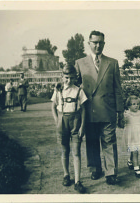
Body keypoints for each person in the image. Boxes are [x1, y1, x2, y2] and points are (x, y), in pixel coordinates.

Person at [75, 30, 124, 185]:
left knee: (109, 141)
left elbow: (118, 88)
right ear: (88, 43)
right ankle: (95, 169)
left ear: (104, 43)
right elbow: (74, 86)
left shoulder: (113, 63)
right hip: (89, 111)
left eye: (100, 42)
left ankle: (111, 172)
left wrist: (120, 111)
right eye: (94, 42)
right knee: (92, 141)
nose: (97, 45)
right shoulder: (80, 63)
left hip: (107, 110)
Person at [51, 64, 88, 193]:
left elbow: (83, 109)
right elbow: (53, 106)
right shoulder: (58, 90)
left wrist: (83, 126)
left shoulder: (79, 90)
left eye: (72, 78)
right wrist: (57, 121)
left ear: (75, 77)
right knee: (64, 150)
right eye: (66, 77)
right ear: (62, 77)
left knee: (76, 151)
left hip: (75, 122)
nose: (69, 80)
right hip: (62, 121)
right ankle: (66, 175)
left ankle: (77, 181)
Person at [122, 95, 140, 178]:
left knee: (134, 150)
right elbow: (122, 122)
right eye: (133, 104)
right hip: (131, 135)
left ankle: (130, 161)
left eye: (137, 104)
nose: (136, 106)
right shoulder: (127, 114)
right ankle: (137, 170)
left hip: (138, 135)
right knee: (135, 151)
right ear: (129, 105)